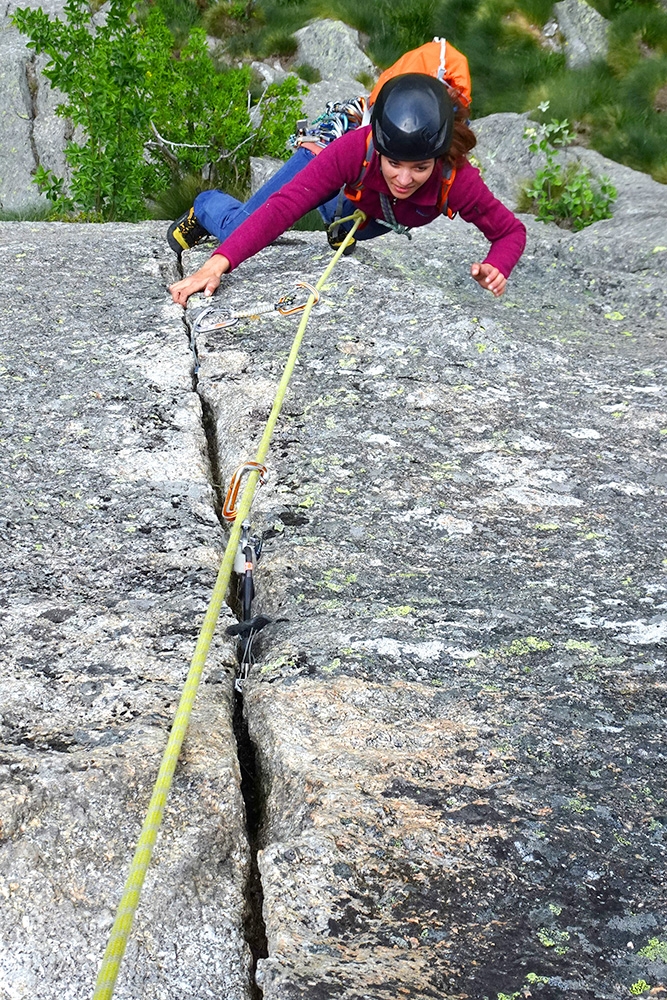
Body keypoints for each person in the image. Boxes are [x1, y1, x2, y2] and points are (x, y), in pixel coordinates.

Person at [168, 74, 526, 307]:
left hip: (361, 198)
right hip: (327, 158)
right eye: (395, 163)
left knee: (341, 227)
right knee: (239, 230)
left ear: (438, 156)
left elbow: (510, 231)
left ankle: (339, 220)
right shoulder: (359, 149)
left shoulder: (455, 177)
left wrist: (498, 265)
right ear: (380, 148)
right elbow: (284, 208)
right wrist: (215, 266)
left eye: (420, 167)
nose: (404, 179)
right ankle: (206, 206)